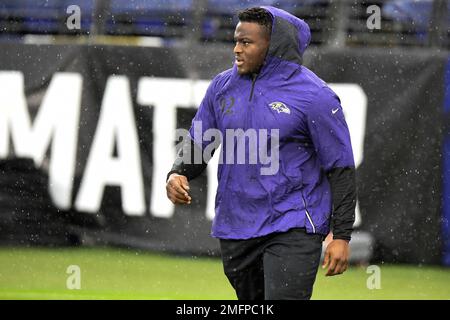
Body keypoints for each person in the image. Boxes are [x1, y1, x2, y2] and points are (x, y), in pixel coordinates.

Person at [166, 6, 356, 300]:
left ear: (273, 46)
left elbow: (340, 167)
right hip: (236, 225)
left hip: (293, 224)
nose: (236, 50)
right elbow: (200, 141)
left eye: (246, 42)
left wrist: (341, 236)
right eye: (236, 40)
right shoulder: (221, 87)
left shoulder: (315, 96)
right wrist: (178, 171)